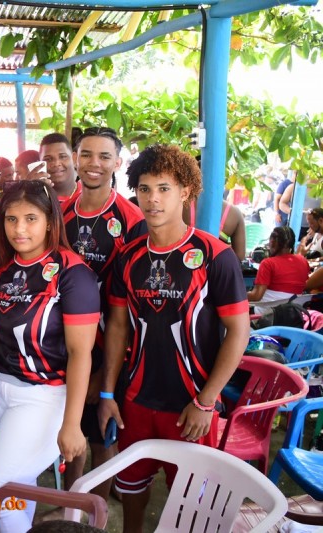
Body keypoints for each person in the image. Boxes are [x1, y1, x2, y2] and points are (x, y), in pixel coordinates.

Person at [98, 144, 250, 533]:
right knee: (131, 492)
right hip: (135, 401)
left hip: (191, 405)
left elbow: (239, 331)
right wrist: (108, 394)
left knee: (193, 505)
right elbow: (117, 327)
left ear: (185, 191)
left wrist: (206, 400)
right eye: (145, 189)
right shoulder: (128, 256)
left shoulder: (215, 255)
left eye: (164, 188)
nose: (153, 199)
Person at [0, 179, 98, 531]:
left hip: (45, 397)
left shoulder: (73, 274)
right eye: (11, 219)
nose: (20, 229)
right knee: (19, 485)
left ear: (50, 221)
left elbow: (80, 353)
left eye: (30, 219)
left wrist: (72, 424)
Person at [60, 127, 146, 498]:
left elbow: (128, 310)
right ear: (75, 159)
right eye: (86, 154)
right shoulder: (59, 212)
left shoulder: (132, 219)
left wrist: (104, 375)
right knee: (71, 432)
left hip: (107, 348)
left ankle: (94, 513)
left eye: (104, 156)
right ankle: (71, 508)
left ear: (118, 163)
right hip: (63, 343)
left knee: (101, 435)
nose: (94, 163)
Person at [247, 226, 309, 315]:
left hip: (266, 315)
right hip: (294, 314)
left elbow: (256, 296)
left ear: (272, 242)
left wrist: (237, 294)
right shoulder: (303, 261)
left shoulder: (268, 263)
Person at [39, 133, 81, 203]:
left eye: (62, 157)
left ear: (74, 158)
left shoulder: (88, 195)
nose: (56, 164)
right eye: (48, 159)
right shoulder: (36, 199)